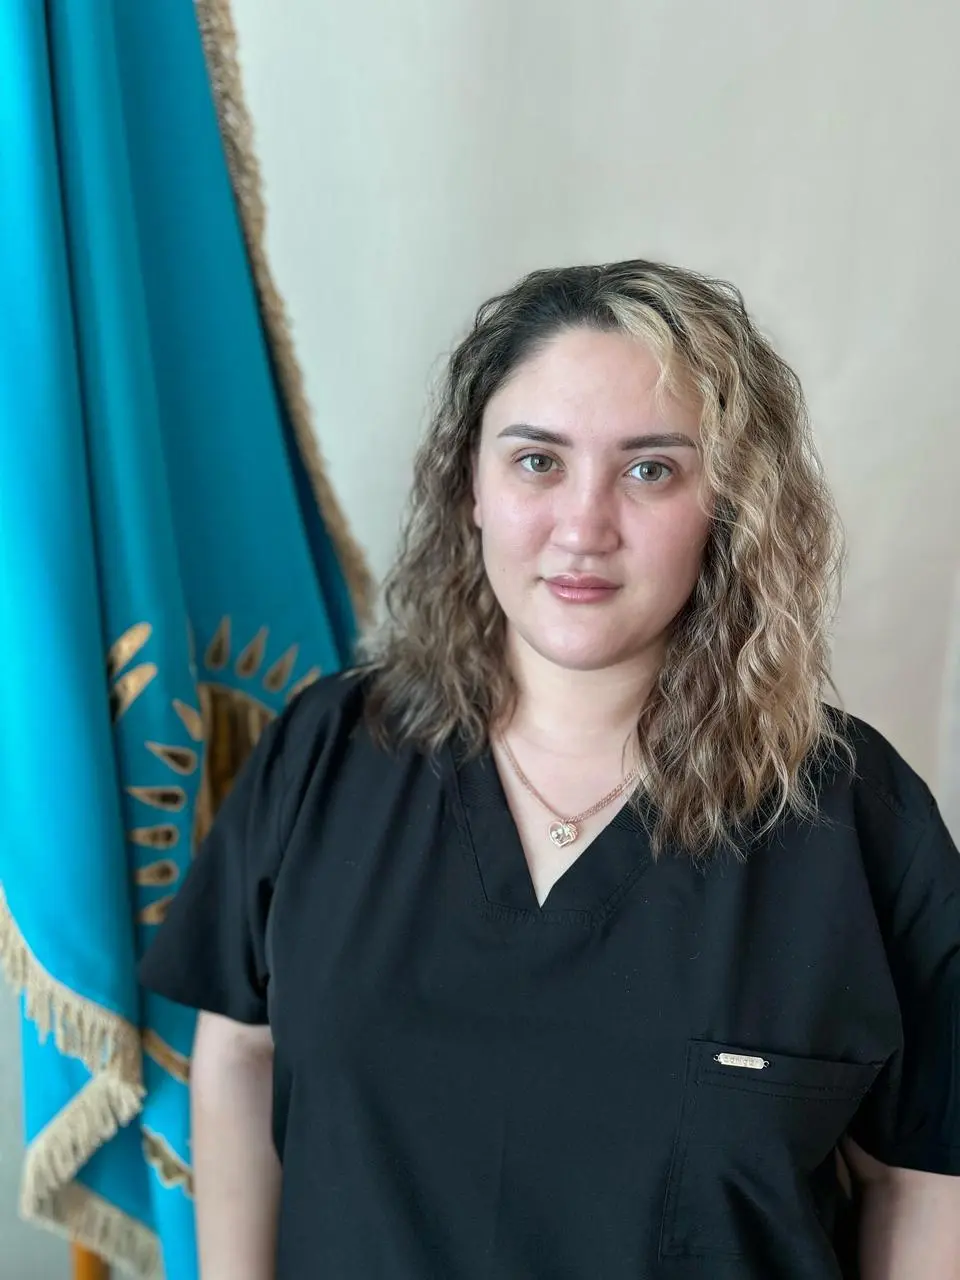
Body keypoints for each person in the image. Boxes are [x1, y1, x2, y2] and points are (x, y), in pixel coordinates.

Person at [139, 259, 960, 1280]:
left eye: (650, 470)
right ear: (471, 487)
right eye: (537, 461)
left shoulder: (854, 815)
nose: (583, 527)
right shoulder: (326, 751)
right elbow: (239, 1049)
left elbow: (923, 1176)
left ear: (730, 504)